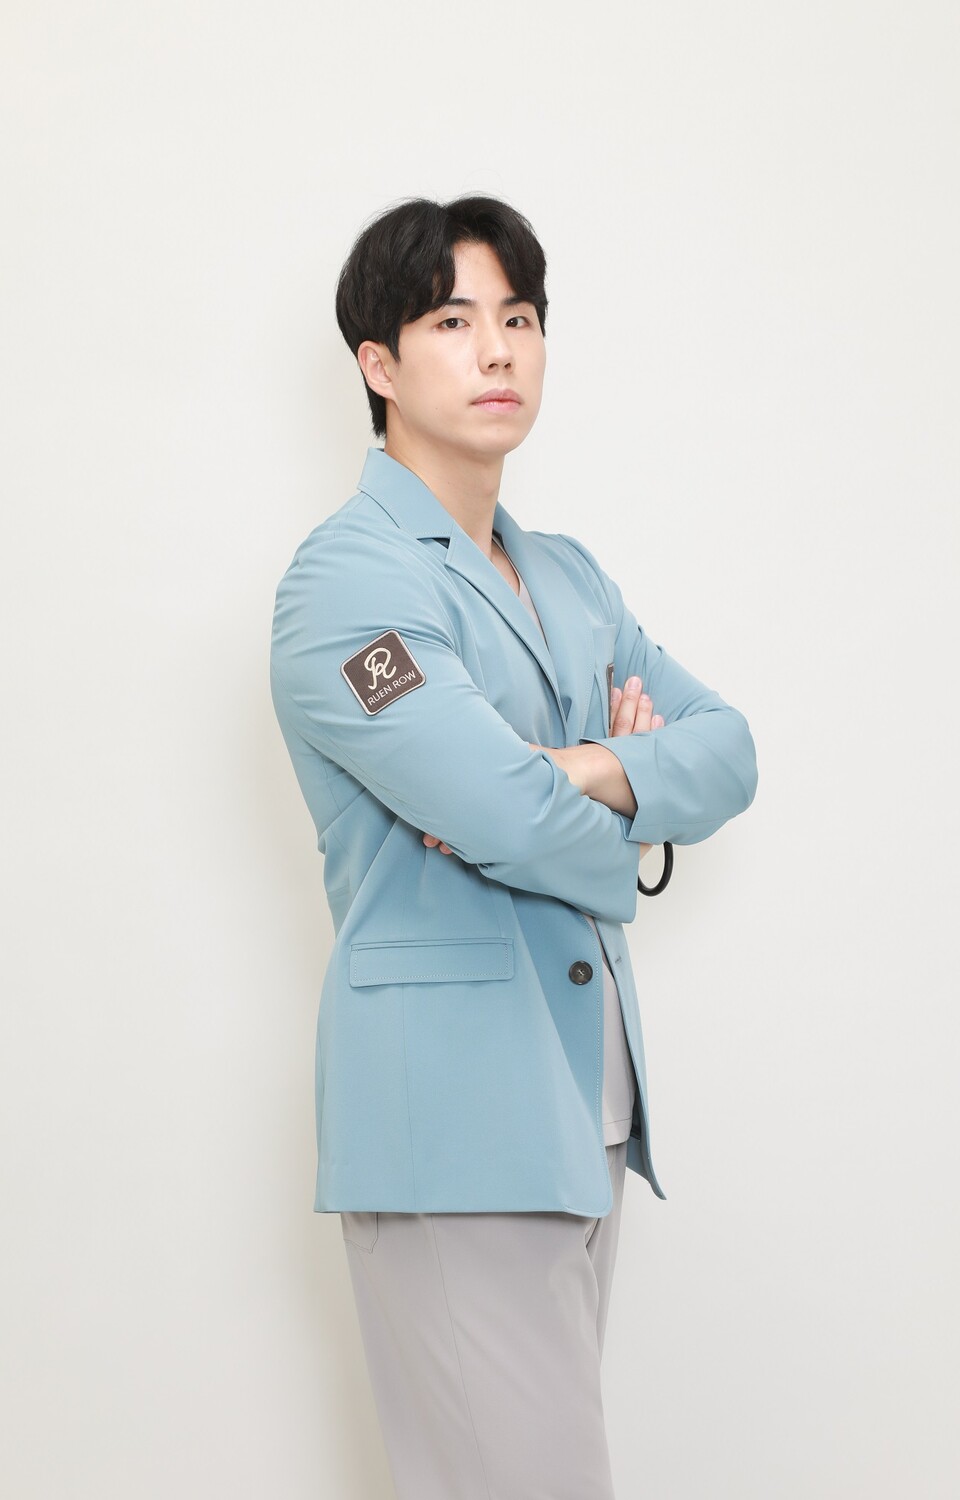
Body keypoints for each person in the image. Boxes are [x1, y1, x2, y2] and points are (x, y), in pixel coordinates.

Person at [270, 194, 758, 1500]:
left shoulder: (572, 578)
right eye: (452, 321)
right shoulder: (348, 584)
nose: (497, 350)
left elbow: (728, 752)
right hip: (450, 1119)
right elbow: (494, 807)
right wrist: (624, 815)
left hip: (582, 1107)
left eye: (520, 318)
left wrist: (584, 769)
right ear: (378, 365)